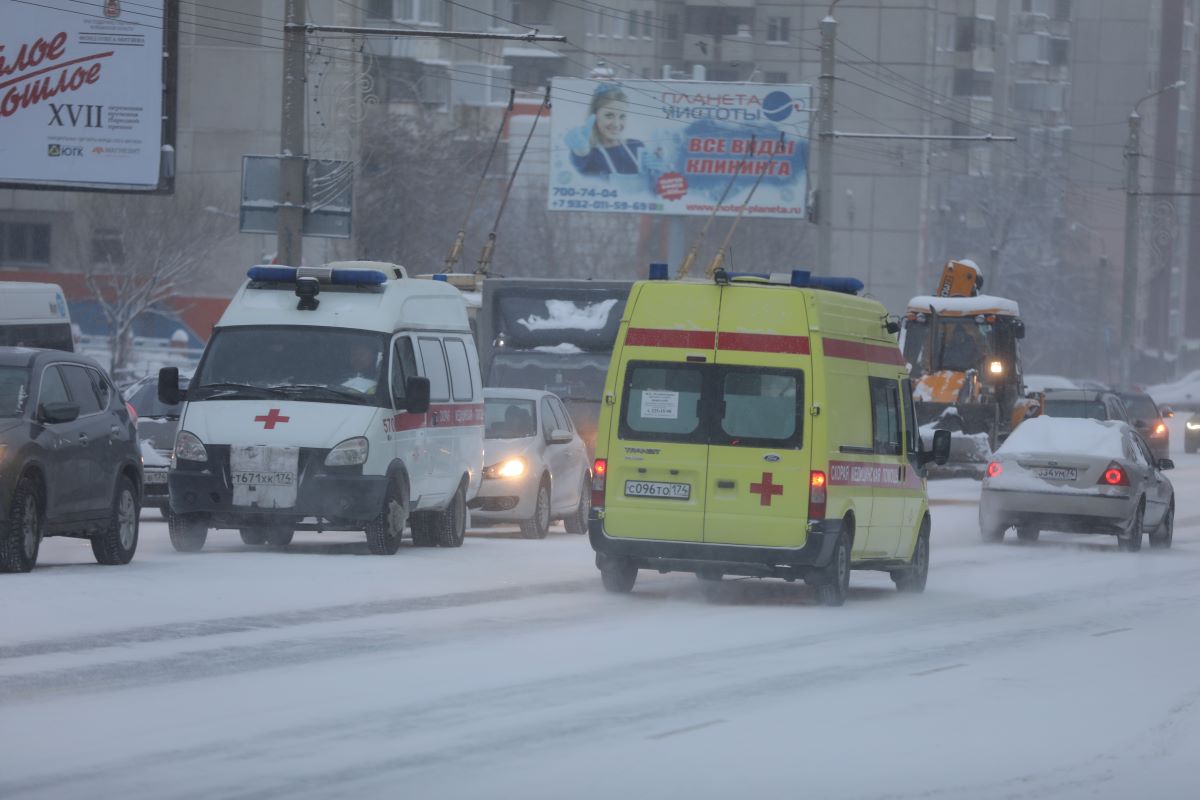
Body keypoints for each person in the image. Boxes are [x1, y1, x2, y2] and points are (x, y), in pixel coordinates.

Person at [566, 84, 646, 176]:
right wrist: (580, 151)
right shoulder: (590, 154)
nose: (617, 124)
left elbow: (653, 186)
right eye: (609, 116)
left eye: (622, 116)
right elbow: (580, 162)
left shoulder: (636, 146)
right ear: (594, 116)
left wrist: (658, 171)